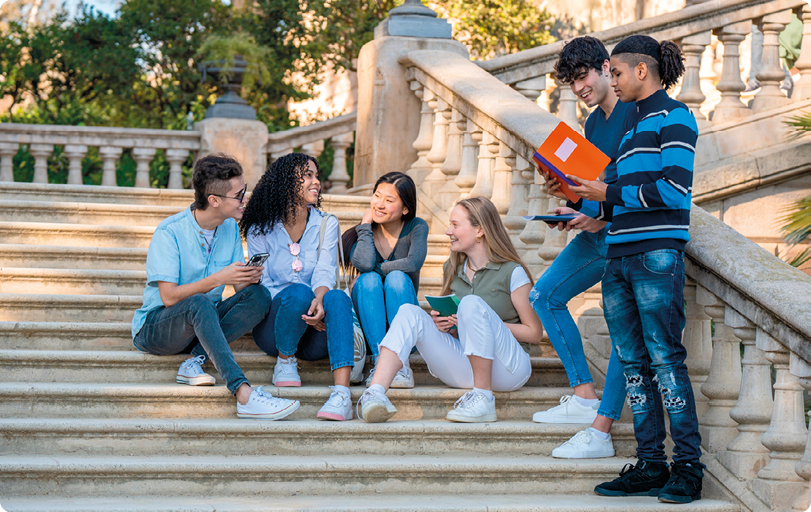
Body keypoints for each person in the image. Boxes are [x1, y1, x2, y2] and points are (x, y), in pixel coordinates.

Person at [567, 35, 703, 504]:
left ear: (640, 71)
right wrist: (572, 195)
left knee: (665, 360)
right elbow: (614, 203)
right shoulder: (626, 132)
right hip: (619, 256)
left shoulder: (676, 117)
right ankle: (649, 465)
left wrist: (609, 193)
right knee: (633, 364)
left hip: (656, 255)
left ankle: (687, 468)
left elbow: (673, 191)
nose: (614, 81)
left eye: (618, 73)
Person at [131, 154, 300, 420]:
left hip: (202, 322)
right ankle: (243, 393)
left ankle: (195, 360)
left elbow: (235, 286)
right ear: (214, 200)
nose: (245, 198)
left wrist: (249, 276)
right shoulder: (169, 232)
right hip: (157, 328)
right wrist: (219, 278)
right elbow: (168, 297)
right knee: (199, 301)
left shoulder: (230, 228)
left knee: (258, 295)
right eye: (239, 194)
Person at [529, 36, 631, 460]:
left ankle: (602, 421)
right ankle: (584, 394)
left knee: (625, 327)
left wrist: (600, 214)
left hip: (628, 236)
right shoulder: (591, 125)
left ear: (607, 67)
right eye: (571, 82)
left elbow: (634, 188)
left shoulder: (635, 113)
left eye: (583, 76)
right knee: (544, 294)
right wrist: (568, 199)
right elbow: (592, 192)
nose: (579, 88)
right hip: (599, 232)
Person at [356, 196, 543, 424]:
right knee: (408, 311)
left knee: (471, 304)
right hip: (466, 366)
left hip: (509, 369)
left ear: (479, 230)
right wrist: (448, 327)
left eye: (455, 225)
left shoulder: (512, 272)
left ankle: (483, 399)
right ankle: (375, 394)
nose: (447, 231)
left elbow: (534, 333)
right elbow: (461, 329)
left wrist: (486, 324)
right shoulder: (452, 268)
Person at [240, 152, 356, 421]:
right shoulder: (260, 228)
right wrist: (303, 304)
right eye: (308, 175)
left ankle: (342, 394)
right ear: (285, 182)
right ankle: (285, 361)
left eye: (317, 176)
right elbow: (264, 285)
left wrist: (318, 303)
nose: (316, 182)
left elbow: (327, 268)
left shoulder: (326, 223)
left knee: (337, 298)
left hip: (317, 332)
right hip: (275, 330)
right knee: (298, 292)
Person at [343, 171, 429, 388]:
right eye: (377, 196)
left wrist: (376, 268)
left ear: (405, 208)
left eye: (389, 200)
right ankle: (380, 362)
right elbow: (363, 264)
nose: (379, 204)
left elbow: (413, 263)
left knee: (397, 279)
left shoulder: (416, 227)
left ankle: (401, 364)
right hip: (371, 327)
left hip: (404, 325)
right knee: (367, 280)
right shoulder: (361, 233)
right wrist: (364, 226)